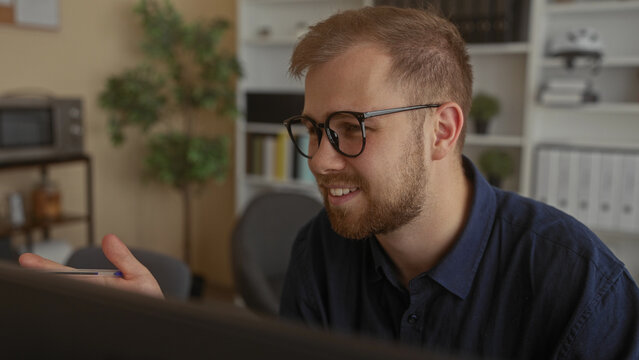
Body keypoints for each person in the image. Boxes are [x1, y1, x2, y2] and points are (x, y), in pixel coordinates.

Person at [19, 5, 639, 360]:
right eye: (313, 129)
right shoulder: (321, 249)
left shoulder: (580, 285)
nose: (316, 161)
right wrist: (163, 335)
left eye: (349, 128)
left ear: (443, 131)